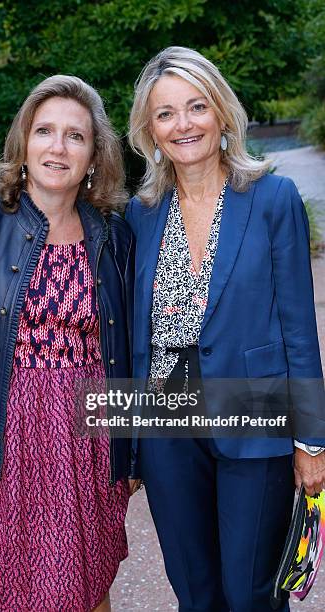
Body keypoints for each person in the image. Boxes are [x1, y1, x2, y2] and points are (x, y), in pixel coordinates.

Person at [0, 74, 139, 612]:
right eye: (44, 131)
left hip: (88, 440)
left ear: (94, 157)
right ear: (23, 144)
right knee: (2, 587)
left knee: (86, 585)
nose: (58, 147)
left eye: (75, 135)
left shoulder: (114, 235)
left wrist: (134, 448)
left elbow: (130, 348)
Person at [126, 46, 325, 612]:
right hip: (167, 427)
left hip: (253, 417)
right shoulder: (141, 212)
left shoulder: (272, 198)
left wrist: (313, 440)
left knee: (250, 593)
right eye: (165, 114)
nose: (183, 124)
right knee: (196, 592)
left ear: (221, 113)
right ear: (149, 129)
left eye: (196, 107)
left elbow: (298, 330)